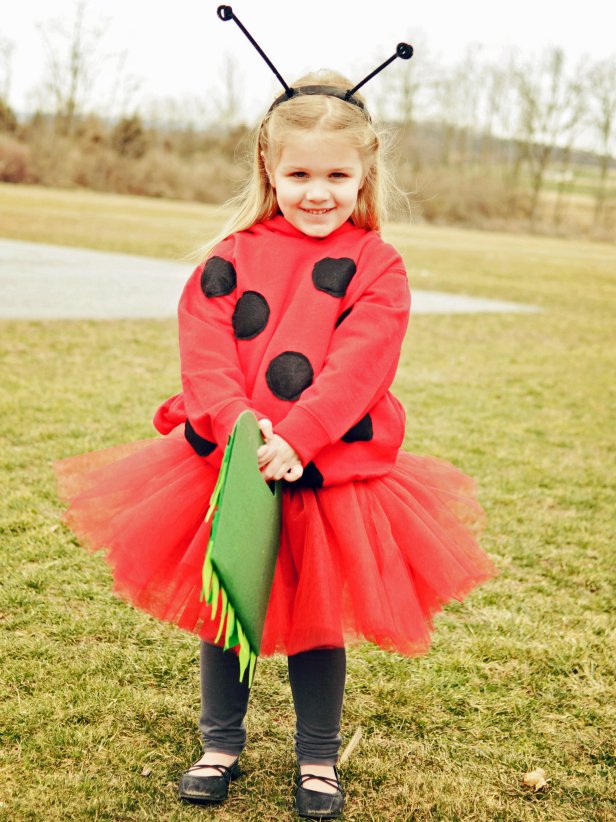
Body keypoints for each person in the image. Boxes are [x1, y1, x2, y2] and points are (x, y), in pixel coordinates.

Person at [56, 67, 497, 821]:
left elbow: (364, 361)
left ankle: (318, 760)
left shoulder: (377, 265)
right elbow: (204, 352)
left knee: (316, 619)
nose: (317, 191)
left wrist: (299, 436)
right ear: (269, 166)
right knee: (228, 598)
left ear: (365, 174)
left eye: (336, 174)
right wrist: (240, 429)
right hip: (233, 463)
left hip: (327, 468)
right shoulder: (230, 255)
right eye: (299, 173)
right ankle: (218, 745)